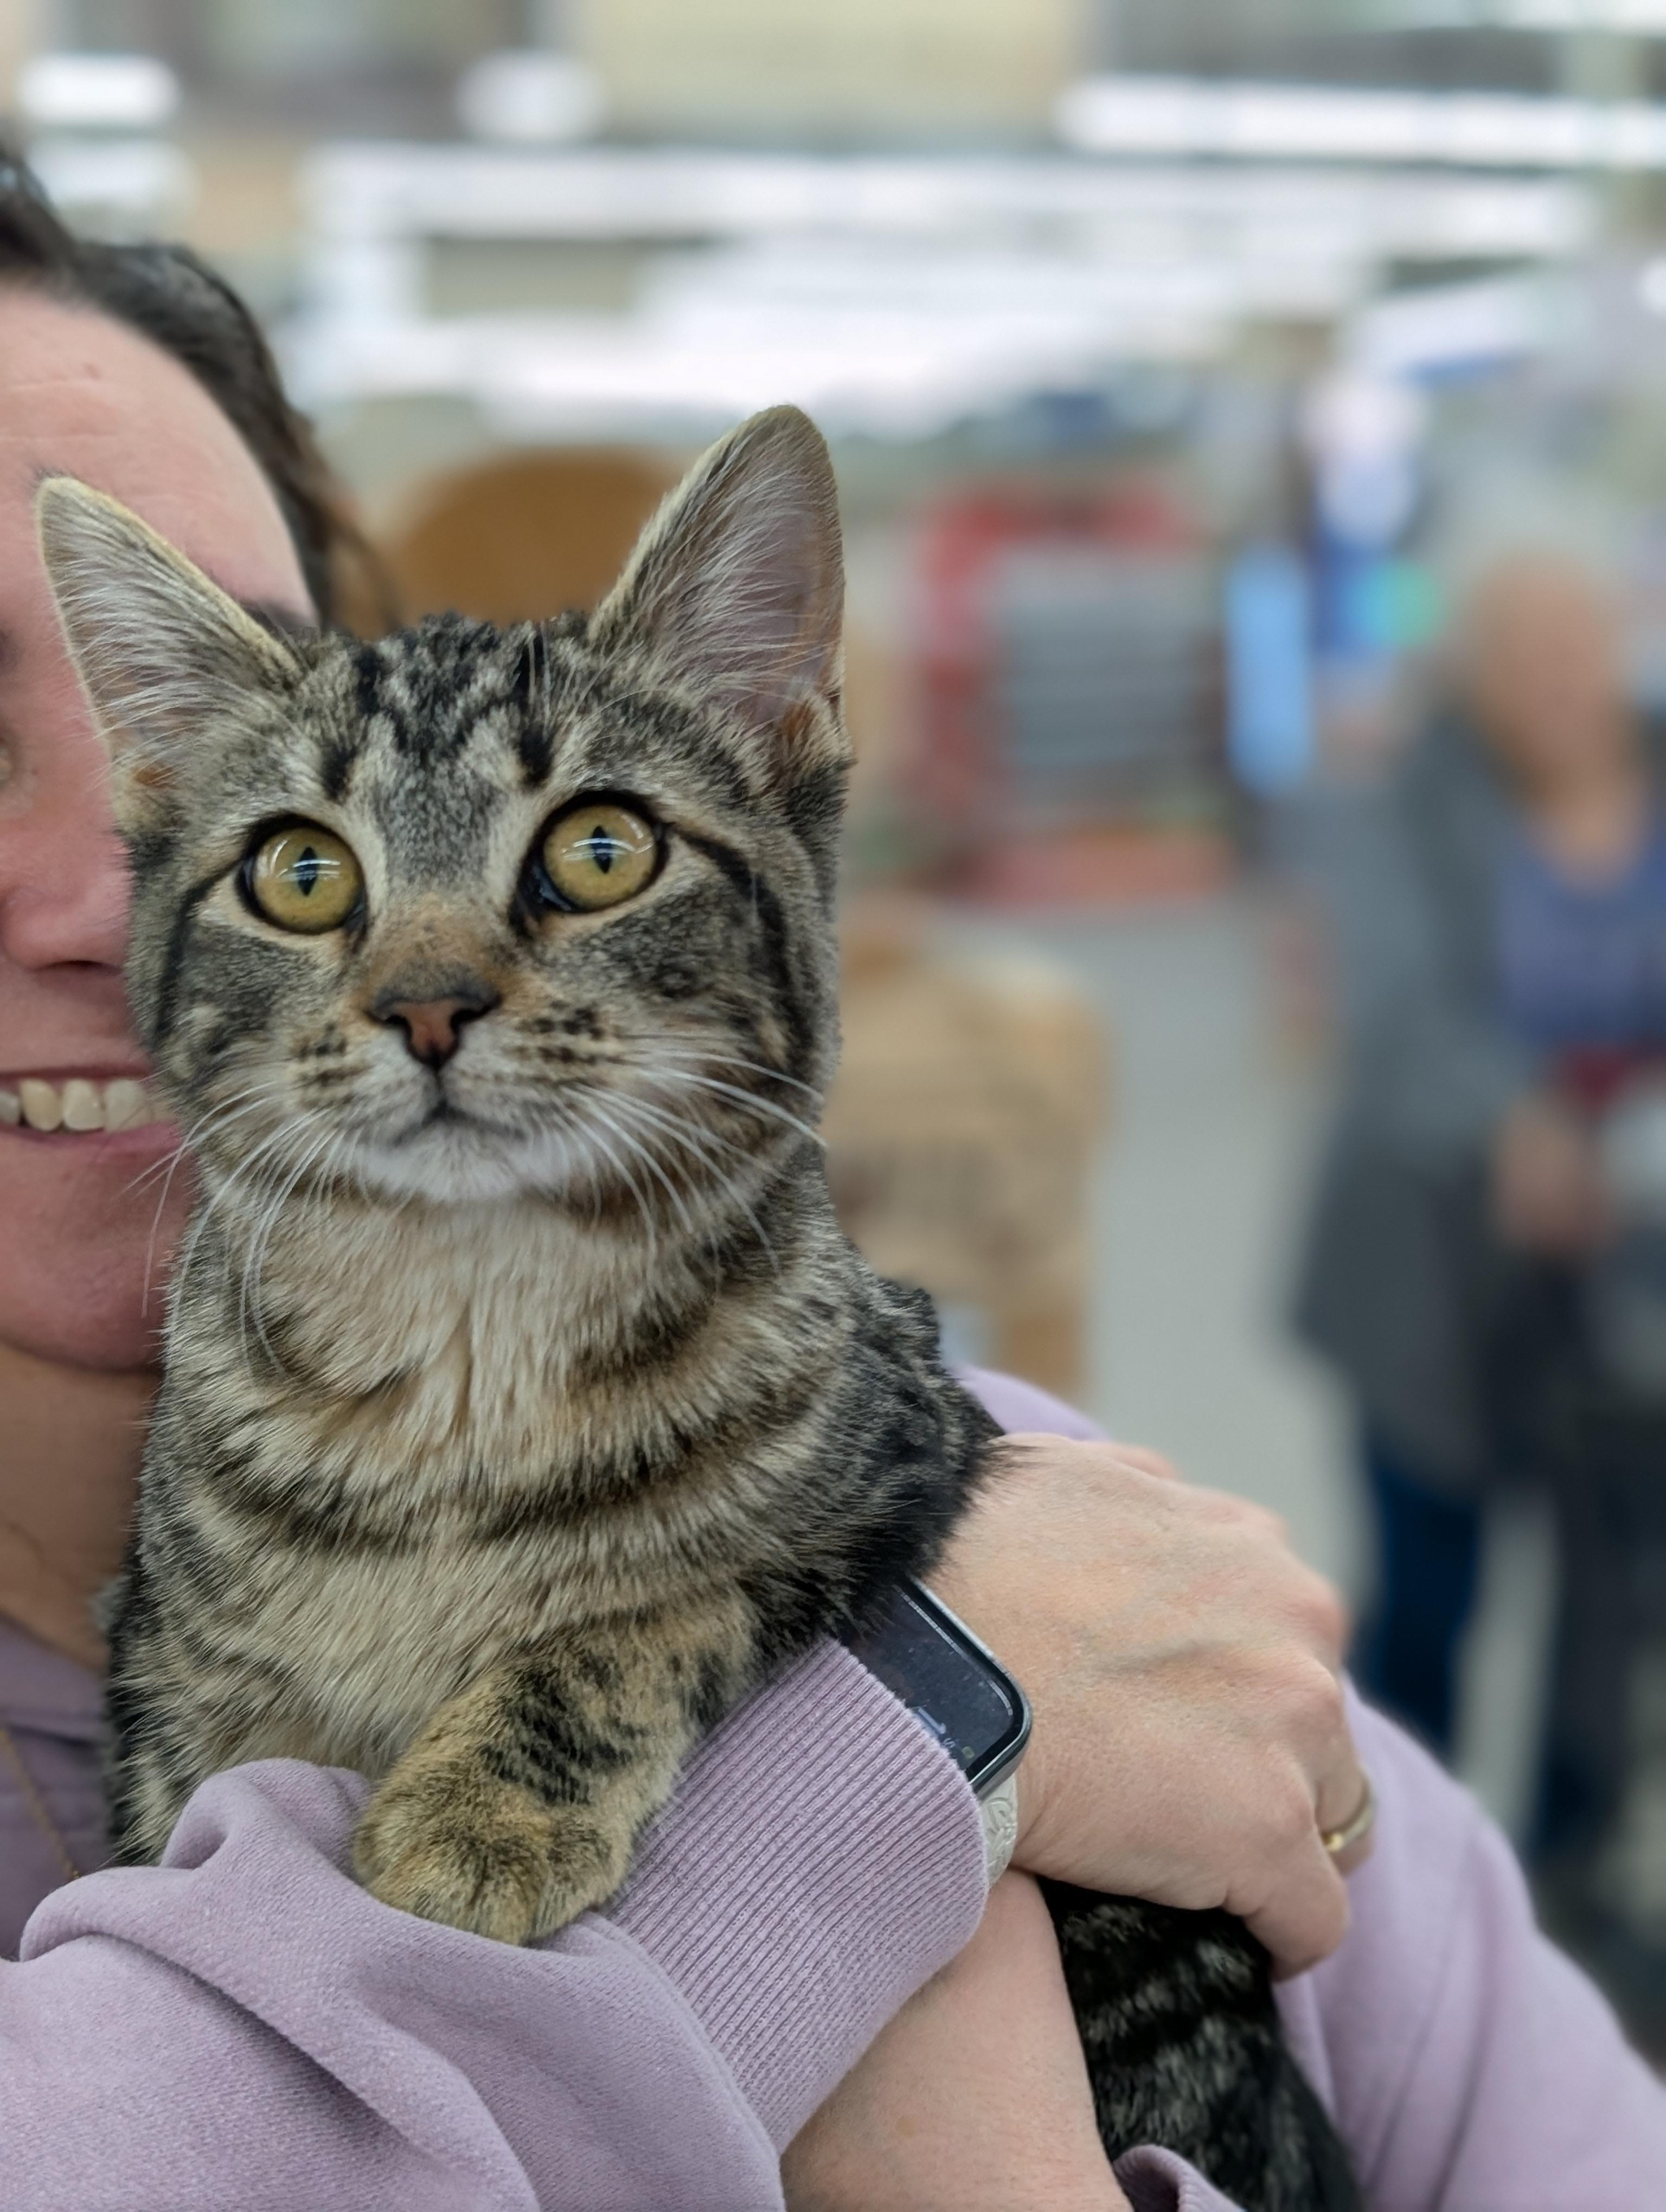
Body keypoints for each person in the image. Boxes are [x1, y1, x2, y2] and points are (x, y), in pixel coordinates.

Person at [0, 156, 1661, 2208]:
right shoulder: (1015, 1607)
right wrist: (920, 1750)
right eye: (300, 866)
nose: (427, 988)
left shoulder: (1034, 1507)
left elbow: (1545, 2124)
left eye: (583, 855)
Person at [1295, 535, 1666, 1912]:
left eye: (1579, 647)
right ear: (1470, 672)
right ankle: (1402, 1897)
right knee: (1432, 1584)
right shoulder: (1400, 796)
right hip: (1434, 1269)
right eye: (1522, 657)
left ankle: (1574, 1885)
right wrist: (1516, 1123)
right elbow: (1394, 1011)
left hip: (1627, 1277)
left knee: (1615, 1592)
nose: (1559, 684)